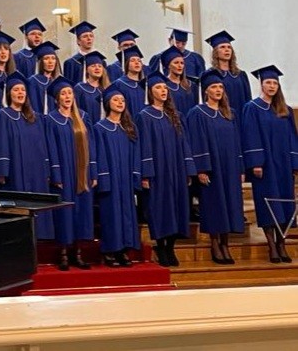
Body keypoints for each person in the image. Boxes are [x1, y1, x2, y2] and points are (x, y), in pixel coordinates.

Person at [136, 71, 196, 267]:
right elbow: (143, 145)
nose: (163, 90)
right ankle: (160, 246)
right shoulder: (144, 116)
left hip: (177, 168)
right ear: (150, 91)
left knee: (177, 206)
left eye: (164, 87)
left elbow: (185, 143)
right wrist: (146, 173)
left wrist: (188, 169)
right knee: (160, 207)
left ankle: (171, 246)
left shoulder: (176, 115)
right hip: (158, 171)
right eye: (158, 87)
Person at [187, 70, 244, 265]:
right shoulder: (198, 113)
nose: (218, 90)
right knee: (214, 204)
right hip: (212, 168)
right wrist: (201, 169)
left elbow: (237, 141)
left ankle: (225, 243)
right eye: (214, 87)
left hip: (230, 166)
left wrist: (240, 168)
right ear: (206, 90)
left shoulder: (230, 113)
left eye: (220, 87)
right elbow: (196, 141)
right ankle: (215, 244)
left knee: (230, 203)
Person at [242, 65, 298, 264]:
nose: (272, 86)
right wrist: (256, 162)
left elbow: (292, 138)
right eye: (268, 82)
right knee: (268, 203)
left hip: (283, 165)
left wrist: (294, 163)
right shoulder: (252, 108)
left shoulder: (285, 110)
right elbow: (250, 136)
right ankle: (271, 245)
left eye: (275, 83)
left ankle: (282, 243)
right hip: (265, 166)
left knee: (285, 203)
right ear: (261, 84)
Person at [0, 72, 54, 240]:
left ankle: (39, 238)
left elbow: (43, 145)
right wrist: (2, 170)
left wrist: (46, 170)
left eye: (23, 90)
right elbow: (0, 143)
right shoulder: (2, 115)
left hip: (37, 170)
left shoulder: (35, 118)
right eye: (16, 90)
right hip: (15, 170)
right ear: (8, 93)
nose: (20, 93)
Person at [45, 77, 97, 271]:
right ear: (57, 98)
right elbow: (50, 147)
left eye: (70, 93)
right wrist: (56, 174)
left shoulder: (83, 116)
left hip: (82, 172)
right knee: (65, 212)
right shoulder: (51, 119)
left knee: (82, 211)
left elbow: (92, 145)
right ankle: (64, 253)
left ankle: (78, 252)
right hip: (64, 172)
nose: (67, 96)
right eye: (63, 94)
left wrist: (93, 172)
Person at [92, 84, 142, 267]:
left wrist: (135, 175)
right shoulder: (100, 128)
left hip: (126, 179)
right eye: (116, 100)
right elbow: (98, 154)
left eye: (122, 100)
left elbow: (136, 154)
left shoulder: (129, 128)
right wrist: (103, 178)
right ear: (107, 104)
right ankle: (109, 250)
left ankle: (124, 250)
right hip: (110, 178)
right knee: (111, 214)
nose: (120, 103)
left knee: (127, 214)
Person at [205, 30, 252, 113]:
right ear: (216, 52)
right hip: (221, 116)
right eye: (222, 47)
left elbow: (248, 99)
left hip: (241, 116)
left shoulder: (241, 75)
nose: (227, 50)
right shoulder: (210, 75)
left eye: (229, 47)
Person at [160, 45, 199, 117]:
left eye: (182, 63)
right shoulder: (164, 86)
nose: (180, 66)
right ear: (168, 65)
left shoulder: (191, 85)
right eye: (176, 63)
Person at [73, 51, 110, 123]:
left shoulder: (106, 90)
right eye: (93, 66)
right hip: (85, 125)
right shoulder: (80, 88)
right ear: (86, 69)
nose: (97, 68)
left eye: (100, 66)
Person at [112, 45, 147, 118]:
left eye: (139, 61)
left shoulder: (146, 84)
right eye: (132, 60)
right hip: (127, 121)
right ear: (126, 64)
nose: (137, 63)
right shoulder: (119, 84)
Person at [28, 41, 61, 114]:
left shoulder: (57, 82)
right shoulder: (33, 81)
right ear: (40, 62)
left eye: (53, 58)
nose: (50, 62)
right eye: (46, 58)